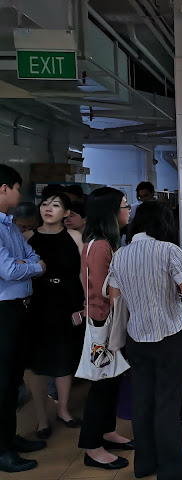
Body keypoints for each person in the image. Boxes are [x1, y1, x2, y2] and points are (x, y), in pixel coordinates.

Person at [109, 202, 182, 480]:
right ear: (163, 223)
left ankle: (145, 464)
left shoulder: (120, 255)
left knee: (143, 401)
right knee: (168, 402)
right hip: (170, 335)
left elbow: (115, 297)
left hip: (136, 337)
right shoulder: (169, 250)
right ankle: (173, 469)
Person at [78, 187, 133, 470]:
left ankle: (107, 431)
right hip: (102, 324)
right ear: (112, 212)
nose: (128, 210)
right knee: (101, 385)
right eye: (124, 206)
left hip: (109, 322)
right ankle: (92, 446)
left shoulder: (103, 243)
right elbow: (102, 292)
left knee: (112, 381)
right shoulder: (99, 246)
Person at [24, 192, 84, 439]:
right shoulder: (27, 237)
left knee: (64, 356)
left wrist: (85, 302)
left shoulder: (75, 237)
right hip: (36, 303)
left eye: (56, 205)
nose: (48, 208)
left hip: (66, 302)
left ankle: (63, 409)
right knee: (35, 363)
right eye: (45, 204)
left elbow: (83, 273)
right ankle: (41, 419)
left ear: (67, 213)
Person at [0, 164, 47, 473]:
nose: (21, 193)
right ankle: (2, 451)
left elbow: (27, 256)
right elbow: (10, 270)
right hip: (3, 311)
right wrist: (37, 267)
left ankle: (9, 438)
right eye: (18, 188)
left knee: (13, 378)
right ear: (4, 188)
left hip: (18, 309)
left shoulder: (9, 226)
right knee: (3, 382)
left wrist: (29, 262)